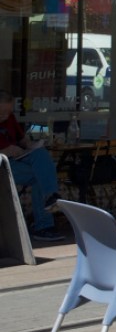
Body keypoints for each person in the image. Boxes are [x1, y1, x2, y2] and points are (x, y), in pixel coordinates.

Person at [0, 91, 64, 243]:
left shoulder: (10, 119)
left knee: (40, 156)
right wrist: (3, 151)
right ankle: (44, 225)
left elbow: (22, 140)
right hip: (2, 164)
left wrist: (32, 145)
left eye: (8, 112)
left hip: (16, 161)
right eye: (1, 112)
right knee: (41, 176)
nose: (4, 115)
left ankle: (50, 200)